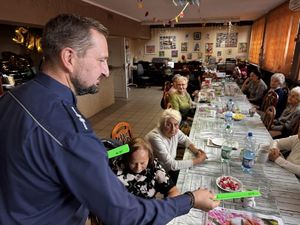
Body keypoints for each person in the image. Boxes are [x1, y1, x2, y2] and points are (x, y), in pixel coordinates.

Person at [0, 14, 219, 225]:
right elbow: (124, 214)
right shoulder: (70, 130)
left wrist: (110, 151)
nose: (106, 71)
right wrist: (190, 200)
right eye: (101, 60)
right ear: (69, 58)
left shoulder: (10, 97)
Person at [146, 108, 207, 182]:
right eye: (168, 125)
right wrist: (198, 160)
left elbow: (185, 140)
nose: (173, 129)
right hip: (156, 172)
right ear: (162, 124)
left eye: (176, 124)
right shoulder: (155, 137)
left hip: (168, 166)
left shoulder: (175, 131)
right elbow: (172, 165)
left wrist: (196, 151)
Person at [111, 137, 180, 199]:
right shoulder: (117, 164)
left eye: (142, 163)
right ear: (127, 159)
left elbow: (174, 191)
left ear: (149, 158)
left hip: (148, 210)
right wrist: (123, 148)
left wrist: (160, 207)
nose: (138, 168)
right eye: (133, 163)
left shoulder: (154, 166)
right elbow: (104, 153)